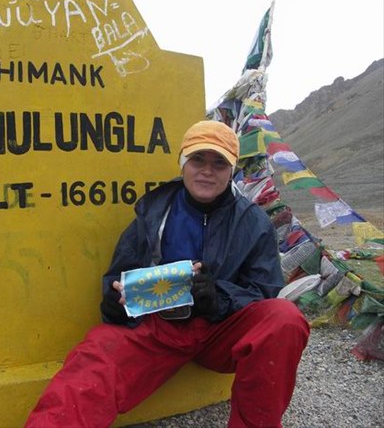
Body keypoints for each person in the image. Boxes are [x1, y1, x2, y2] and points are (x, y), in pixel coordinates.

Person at [25, 120, 310, 428]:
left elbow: (265, 290)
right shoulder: (154, 210)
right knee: (95, 357)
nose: (207, 171)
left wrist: (219, 299)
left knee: (285, 318)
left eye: (219, 163)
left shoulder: (253, 222)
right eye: (197, 159)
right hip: (158, 328)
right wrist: (114, 302)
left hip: (221, 330)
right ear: (182, 162)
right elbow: (119, 275)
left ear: (232, 170)